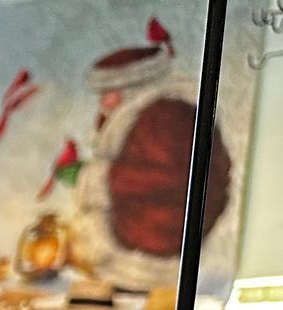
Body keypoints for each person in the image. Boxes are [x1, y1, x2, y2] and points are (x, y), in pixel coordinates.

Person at [70, 21, 232, 293]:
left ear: (134, 87)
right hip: (141, 251)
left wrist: (103, 178)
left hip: (155, 253)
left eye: (110, 93)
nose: (104, 103)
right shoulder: (148, 118)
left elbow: (175, 179)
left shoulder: (164, 119)